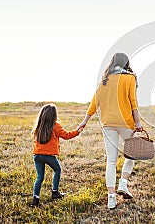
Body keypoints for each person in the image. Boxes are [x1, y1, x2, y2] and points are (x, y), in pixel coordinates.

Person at [78, 52, 143, 209]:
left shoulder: (104, 80)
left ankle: (111, 198)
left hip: (108, 124)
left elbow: (94, 103)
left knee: (111, 161)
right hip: (125, 122)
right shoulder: (130, 78)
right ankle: (123, 182)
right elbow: (133, 102)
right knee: (132, 154)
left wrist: (84, 121)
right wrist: (138, 122)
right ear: (126, 63)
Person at [30, 104, 83, 207]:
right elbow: (67, 135)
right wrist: (77, 131)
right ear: (54, 115)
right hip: (49, 156)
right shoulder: (55, 126)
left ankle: (35, 200)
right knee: (57, 169)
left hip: (37, 155)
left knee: (40, 177)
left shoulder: (39, 125)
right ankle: (55, 192)